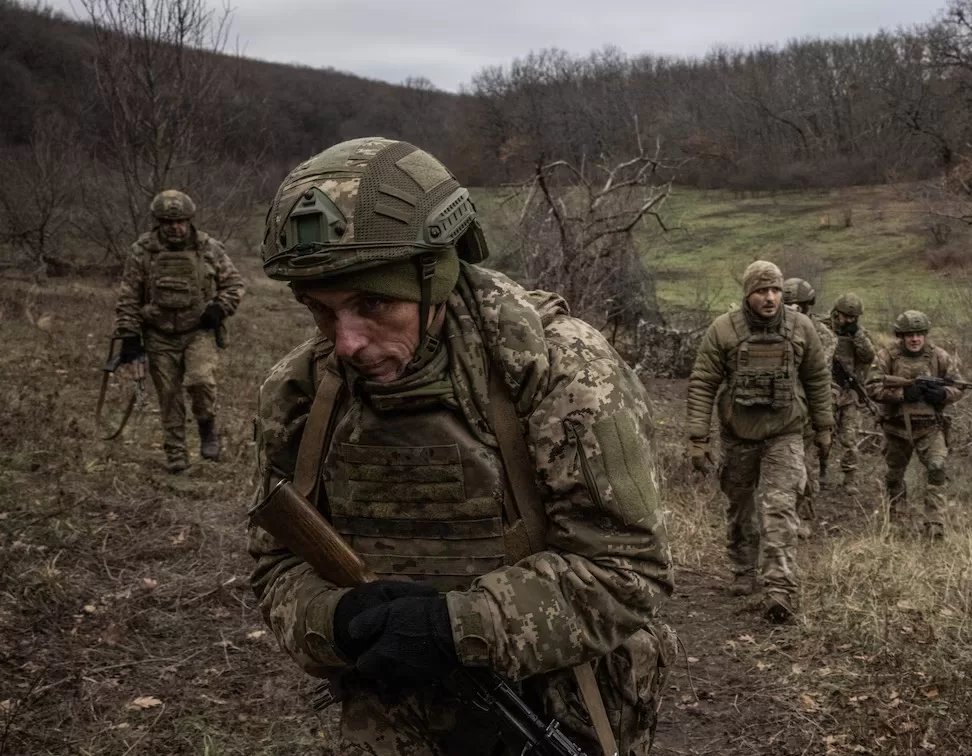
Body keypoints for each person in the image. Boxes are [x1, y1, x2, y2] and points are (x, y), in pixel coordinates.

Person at [247, 138, 673, 755]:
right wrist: (335, 622)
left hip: (556, 697)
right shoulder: (300, 393)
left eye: (373, 304)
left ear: (435, 278)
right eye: (320, 310)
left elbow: (626, 573)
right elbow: (275, 566)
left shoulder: (560, 370)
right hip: (391, 702)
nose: (345, 342)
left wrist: (454, 628)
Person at [686, 261, 834, 623]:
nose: (770, 298)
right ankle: (743, 570)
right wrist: (697, 438)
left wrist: (825, 426)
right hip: (738, 435)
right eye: (761, 291)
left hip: (785, 432)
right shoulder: (724, 329)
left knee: (780, 507)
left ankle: (779, 588)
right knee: (741, 507)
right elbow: (703, 382)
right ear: (748, 294)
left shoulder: (801, 328)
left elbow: (817, 378)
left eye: (776, 290)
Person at [111, 189, 244, 472]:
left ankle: (207, 428)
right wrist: (130, 337)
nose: (175, 227)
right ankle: (176, 453)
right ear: (158, 222)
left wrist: (218, 309)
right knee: (168, 395)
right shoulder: (143, 251)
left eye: (180, 221)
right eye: (168, 222)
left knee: (200, 381)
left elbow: (234, 285)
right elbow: (129, 297)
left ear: (189, 219)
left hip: (198, 331)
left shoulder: (208, 248)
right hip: (158, 334)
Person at [865, 310, 967, 541]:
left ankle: (935, 525)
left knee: (937, 469)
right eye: (909, 334)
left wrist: (942, 394)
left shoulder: (939, 356)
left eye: (919, 334)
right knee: (894, 476)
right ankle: (898, 520)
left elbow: (959, 386)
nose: (915, 339)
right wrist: (903, 393)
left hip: (930, 427)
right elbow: (872, 387)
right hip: (895, 428)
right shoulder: (886, 356)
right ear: (901, 336)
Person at [782, 277, 834, 534]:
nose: (792, 310)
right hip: (777, 409)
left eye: (798, 305)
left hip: (807, 410)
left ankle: (804, 514)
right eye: (787, 304)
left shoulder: (821, 335)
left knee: (804, 465)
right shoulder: (770, 329)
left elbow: (816, 375)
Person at [819, 293, 876, 495]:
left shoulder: (860, 334)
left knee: (849, 438)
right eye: (845, 317)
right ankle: (821, 472)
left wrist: (857, 335)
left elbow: (869, 356)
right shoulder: (821, 328)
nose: (849, 321)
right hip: (826, 391)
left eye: (854, 318)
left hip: (851, 392)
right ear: (836, 313)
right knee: (824, 436)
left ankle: (849, 478)